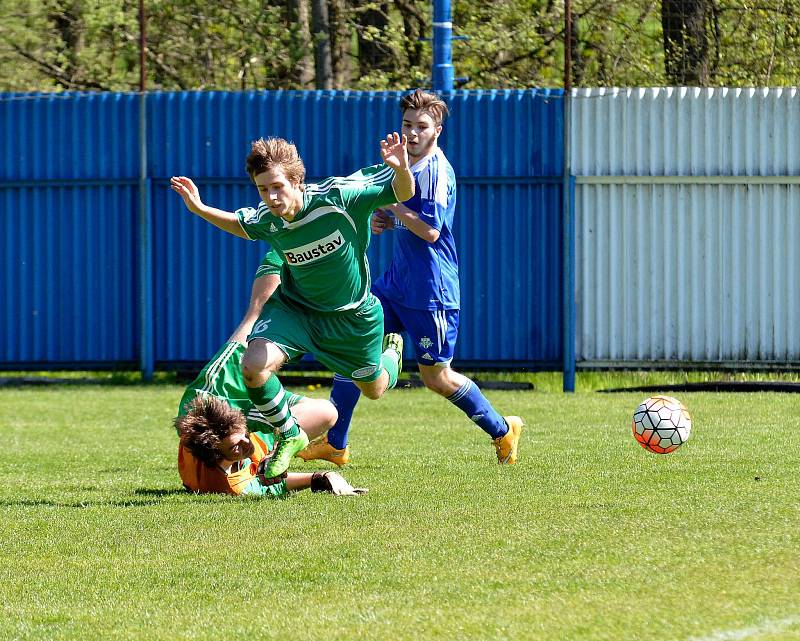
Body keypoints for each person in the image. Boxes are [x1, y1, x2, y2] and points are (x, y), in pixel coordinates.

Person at [170, 131, 414, 481]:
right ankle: (289, 434)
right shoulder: (268, 218)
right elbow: (241, 225)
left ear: (297, 181)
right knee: (253, 366)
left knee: (374, 388)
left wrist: (401, 169)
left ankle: (390, 354)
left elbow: (403, 191)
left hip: (351, 317)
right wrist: (201, 208)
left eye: (277, 187)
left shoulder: (340, 197)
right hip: (296, 311)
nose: (270, 197)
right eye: (262, 189)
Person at [299, 89, 523, 467]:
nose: (413, 133)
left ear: (437, 131)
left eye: (422, 126)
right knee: (350, 343)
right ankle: (335, 443)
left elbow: (432, 230)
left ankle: (503, 430)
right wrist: (382, 218)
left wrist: (391, 206)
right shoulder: (403, 164)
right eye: (407, 125)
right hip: (396, 284)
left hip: (431, 292)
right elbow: (398, 215)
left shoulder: (437, 171)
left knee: (437, 378)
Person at [175, 250, 366, 497]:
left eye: (241, 439)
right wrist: (321, 477)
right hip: (231, 418)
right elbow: (271, 484)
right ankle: (281, 450)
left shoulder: (208, 410)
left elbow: (205, 424)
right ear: (214, 452)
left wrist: (237, 431)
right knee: (327, 413)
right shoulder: (228, 485)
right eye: (236, 447)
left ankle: (286, 248)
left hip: (221, 393)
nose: (245, 445)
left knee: (259, 312)